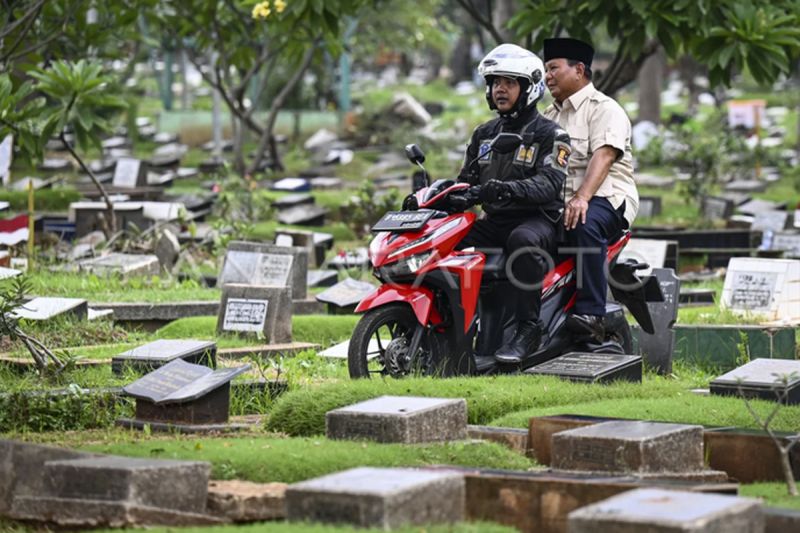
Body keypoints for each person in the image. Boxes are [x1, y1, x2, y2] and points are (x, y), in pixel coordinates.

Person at [455, 43, 570, 364]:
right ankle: (448, 325)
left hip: (538, 221)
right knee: (449, 239)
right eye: (494, 83)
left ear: (530, 88)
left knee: (522, 241)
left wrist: (505, 189)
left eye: (509, 82)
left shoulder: (552, 134)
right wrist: (438, 195)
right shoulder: (484, 134)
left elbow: (549, 184)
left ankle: (528, 328)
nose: (499, 89)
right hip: (494, 222)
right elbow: (467, 180)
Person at [541, 37, 639, 342]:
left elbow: (605, 155)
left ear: (579, 69)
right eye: (546, 70)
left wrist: (582, 196)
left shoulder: (605, 110)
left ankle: (591, 313)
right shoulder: (548, 117)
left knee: (585, 223)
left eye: (554, 68)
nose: (547, 76)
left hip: (607, 198)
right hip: (562, 202)